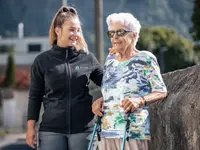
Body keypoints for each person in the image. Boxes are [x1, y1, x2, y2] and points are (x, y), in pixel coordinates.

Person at [26, 6, 103, 150]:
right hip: (51, 131)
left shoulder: (88, 59)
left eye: (78, 30)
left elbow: (109, 84)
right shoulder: (42, 61)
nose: (76, 34)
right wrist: (31, 128)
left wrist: (103, 99)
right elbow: (35, 96)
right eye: (72, 29)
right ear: (58, 30)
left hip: (84, 130)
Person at [92, 13, 167, 150]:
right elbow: (115, 90)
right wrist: (101, 100)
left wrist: (140, 100)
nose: (115, 37)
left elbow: (161, 91)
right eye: (112, 33)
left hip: (133, 131)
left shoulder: (145, 58)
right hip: (106, 131)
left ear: (133, 35)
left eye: (120, 32)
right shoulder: (110, 61)